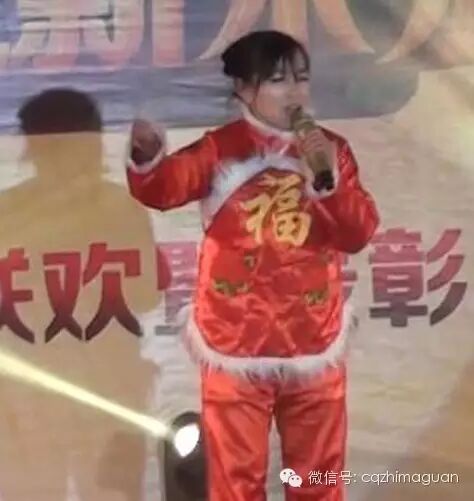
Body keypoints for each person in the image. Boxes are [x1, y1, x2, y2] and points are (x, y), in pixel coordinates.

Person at [126, 30, 379, 501]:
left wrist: (328, 184)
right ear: (243, 89)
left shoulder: (332, 150)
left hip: (312, 336)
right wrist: (147, 157)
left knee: (317, 479)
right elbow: (163, 188)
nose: (295, 92)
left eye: (301, 78)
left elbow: (358, 233)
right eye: (278, 80)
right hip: (235, 341)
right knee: (235, 483)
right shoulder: (220, 149)